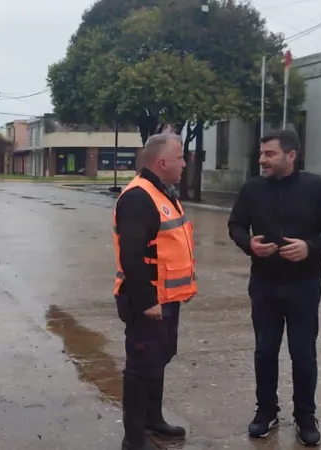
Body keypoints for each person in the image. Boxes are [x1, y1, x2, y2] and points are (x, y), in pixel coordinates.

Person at [227, 129, 321, 446]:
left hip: (304, 285)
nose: (262, 159)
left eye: (270, 154)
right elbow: (235, 225)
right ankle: (266, 411)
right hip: (264, 284)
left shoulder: (317, 188)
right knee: (265, 351)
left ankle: (305, 415)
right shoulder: (252, 189)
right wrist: (249, 244)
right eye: (261, 153)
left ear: (291, 155)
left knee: (303, 353)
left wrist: (310, 247)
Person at [112, 132, 197, 450]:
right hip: (147, 301)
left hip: (166, 298)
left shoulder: (163, 193)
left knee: (157, 360)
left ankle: (152, 419)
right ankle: (134, 438)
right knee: (140, 367)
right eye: (180, 158)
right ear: (162, 162)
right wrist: (147, 300)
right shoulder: (139, 197)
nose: (184, 163)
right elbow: (131, 255)